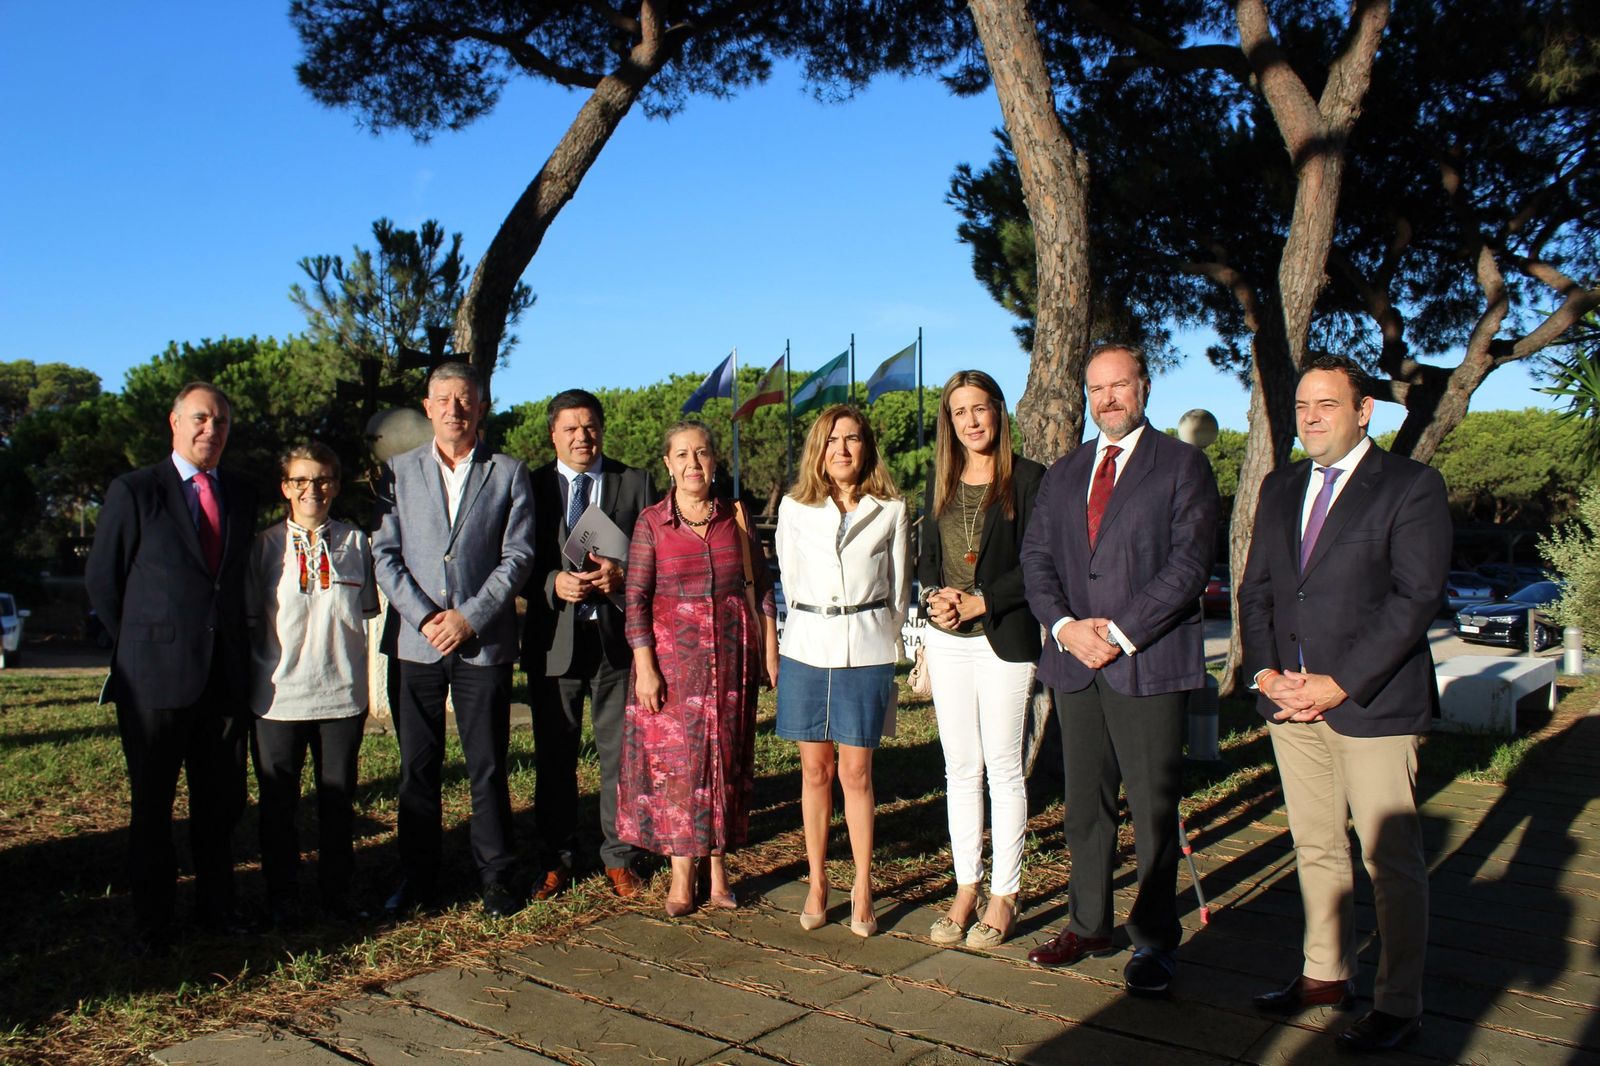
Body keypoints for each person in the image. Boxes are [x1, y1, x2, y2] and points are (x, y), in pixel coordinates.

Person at [1237, 355, 1448, 1054]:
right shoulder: (1280, 486)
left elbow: (1414, 600)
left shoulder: (1411, 487)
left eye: (1327, 404)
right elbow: (1259, 590)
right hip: (1289, 705)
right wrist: (1267, 675)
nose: (1311, 417)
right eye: (1302, 405)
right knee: (1316, 847)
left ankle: (1398, 1003)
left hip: (1372, 707)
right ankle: (1325, 975)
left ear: (1364, 412)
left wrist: (1338, 683)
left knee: (1389, 861)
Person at [1019, 343, 1219, 997]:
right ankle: (1089, 923)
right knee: (1085, 807)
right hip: (1075, 663)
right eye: (1096, 388)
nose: (1107, 398)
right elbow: (1037, 558)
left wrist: (1123, 632)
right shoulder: (1065, 472)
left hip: (1147, 662)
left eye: (1120, 386)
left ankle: (1156, 941)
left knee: (1154, 811)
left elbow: (1189, 564)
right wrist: (1065, 627)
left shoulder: (1182, 467)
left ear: (1145, 388)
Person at [86, 382, 260, 953]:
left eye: (223, 422)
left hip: (224, 679)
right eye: (201, 419)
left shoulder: (240, 492)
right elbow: (103, 582)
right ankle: (153, 922)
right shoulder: (135, 491)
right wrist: (143, 644)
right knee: (153, 806)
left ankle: (218, 908)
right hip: (155, 680)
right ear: (175, 422)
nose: (212, 430)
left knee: (220, 806)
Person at [372, 362, 534, 918]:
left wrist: (470, 617)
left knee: (486, 764)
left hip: (481, 642)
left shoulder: (508, 473)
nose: (454, 409)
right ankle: (417, 877)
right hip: (416, 644)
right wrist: (422, 618)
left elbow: (518, 556)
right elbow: (385, 556)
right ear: (427, 406)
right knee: (418, 766)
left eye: (465, 399)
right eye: (443, 398)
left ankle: (496, 876)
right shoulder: (397, 472)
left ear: (482, 406)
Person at [617, 421, 778, 916]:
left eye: (702, 453)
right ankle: (681, 872)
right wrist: (645, 666)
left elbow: (762, 587)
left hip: (731, 659)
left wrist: (769, 651)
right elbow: (636, 597)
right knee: (679, 772)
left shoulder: (736, 515)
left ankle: (719, 870)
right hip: (672, 665)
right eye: (682, 455)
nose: (693, 463)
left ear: (714, 461)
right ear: (667, 463)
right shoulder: (651, 522)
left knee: (725, 764)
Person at [916, 371, 1045, 949]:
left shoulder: (1031, 481)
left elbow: (1041, 566)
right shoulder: (940, 479)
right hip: (947, 643)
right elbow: (926, 558)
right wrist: (933, 597)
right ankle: (965, 887)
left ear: (998, 412)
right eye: (958, 411)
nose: (970, 421)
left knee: (1004, 768)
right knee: (960, 769)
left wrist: (982, 601)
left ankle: (1004, 894)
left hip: (1004, 640)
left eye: (979, 409)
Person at [775, 404, 910, 937]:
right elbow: (788, 577)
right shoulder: (793, 507)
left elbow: (899, 591)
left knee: (856, 774)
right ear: (818, 449)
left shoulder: (892, 509)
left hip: (868, 650)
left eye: (852, 439)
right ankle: (816, 882)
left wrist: (884, 639)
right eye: (831, 441)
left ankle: (862, 885)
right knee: (815, 772)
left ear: (867, 446)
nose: (842, 450)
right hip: (808, 647)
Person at [522, 389, 657, 902]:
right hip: (554, 639)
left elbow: (656, 555)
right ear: (553, 434)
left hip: (614, 641)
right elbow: (513, 559)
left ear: (602, 428)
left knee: (619, 755)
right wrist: (552, 582)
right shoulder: (530, 486)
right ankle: (555, 857)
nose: (582, 436)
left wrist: (623, 575)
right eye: (571, 428)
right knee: (554, 755)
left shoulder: (634, 482)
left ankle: (618, 855)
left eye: (590, 426)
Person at [246, 442, 379, 927]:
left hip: (341, 696)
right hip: (278, 698)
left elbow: (364, 614)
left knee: (337, 804)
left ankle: (336, 893)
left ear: (336, 486)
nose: (312, 489)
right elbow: (250, 622)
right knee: (278, 808)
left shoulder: (357, 543)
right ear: (285, 487)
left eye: (322, 479)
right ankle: (280, 897)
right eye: (301, 480)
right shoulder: (263, 547)